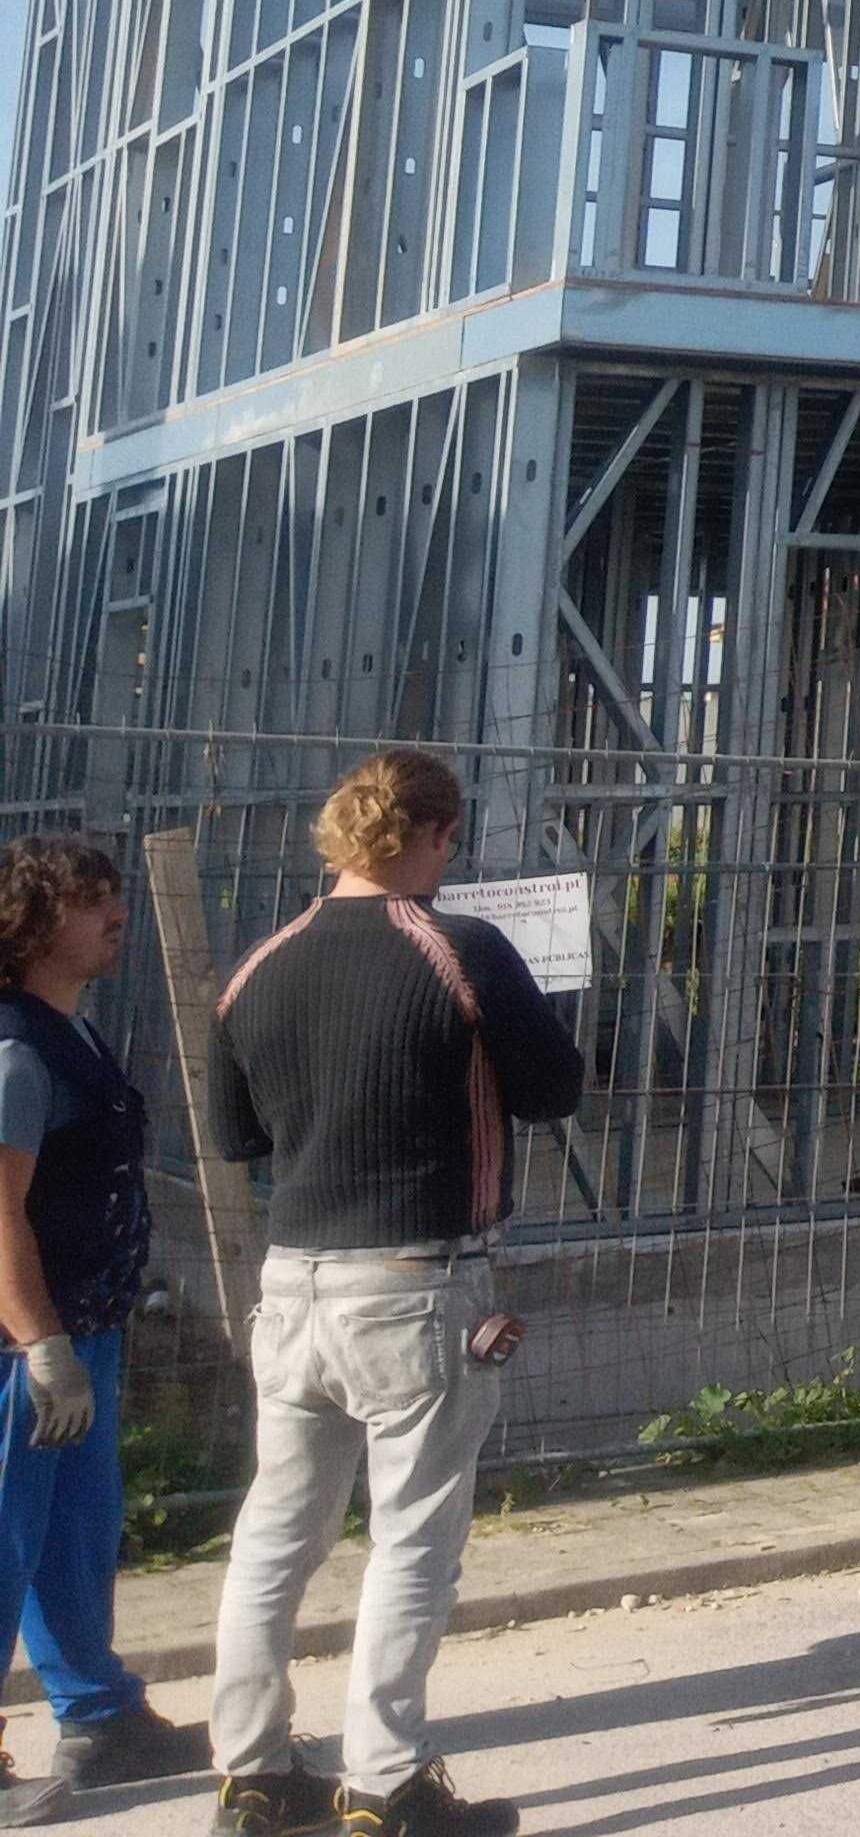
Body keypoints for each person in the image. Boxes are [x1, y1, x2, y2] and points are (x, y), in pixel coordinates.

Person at [203, 753, 582, 1837]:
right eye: (451, 839)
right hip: (420, 1283)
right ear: (429, 835)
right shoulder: (459, 948)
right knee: (413, 1537)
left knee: (275, 1534)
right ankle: (389, 1781)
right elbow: (555, 1089)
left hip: (293, 1284)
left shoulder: (258, 965)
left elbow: (237, 1137)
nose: (451, 858)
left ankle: (255, 1777)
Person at [0, 840, 211, 1821]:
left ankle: (101, 1721)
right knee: (5, 1538)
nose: (115, 913)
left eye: (117, 897)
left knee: (73, 1534)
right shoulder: (15, 1046)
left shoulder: (69, 1032)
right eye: (92, 902)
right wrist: (40, 1344)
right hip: (24, 1348)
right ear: (34, 922)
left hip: (84, 1329)